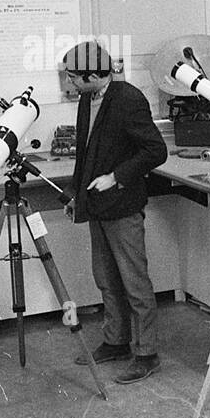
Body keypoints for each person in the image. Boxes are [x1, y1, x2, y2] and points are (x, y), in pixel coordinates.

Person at [63, 42, 169, 384]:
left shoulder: (127, 99)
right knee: (107, 279)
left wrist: (116, 177)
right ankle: (116, 341)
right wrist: (75, 194)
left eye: (74, 78)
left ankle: (146, 353)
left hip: (122, 206)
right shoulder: (86, 99)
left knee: (135, 283)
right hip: (96, 204)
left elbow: (156, 150)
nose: (71, 84)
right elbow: (86, 153)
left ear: (94, 75)